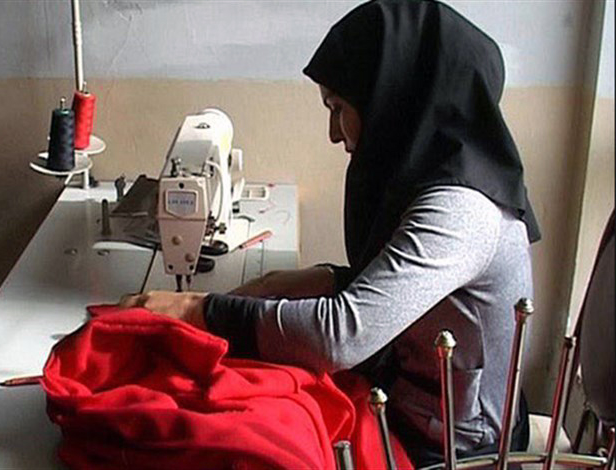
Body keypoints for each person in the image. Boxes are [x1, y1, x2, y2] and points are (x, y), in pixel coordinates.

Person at [120, 0, 541, 465]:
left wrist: (197, 309)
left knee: (231, 440)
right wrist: (286, 284)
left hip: (450, 450)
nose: (333, 133)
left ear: (395, 96)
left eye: (338, 108)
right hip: (409, 404)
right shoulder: (426, 177)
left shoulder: (460, 210)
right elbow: (397, 293)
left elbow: (341, 336)